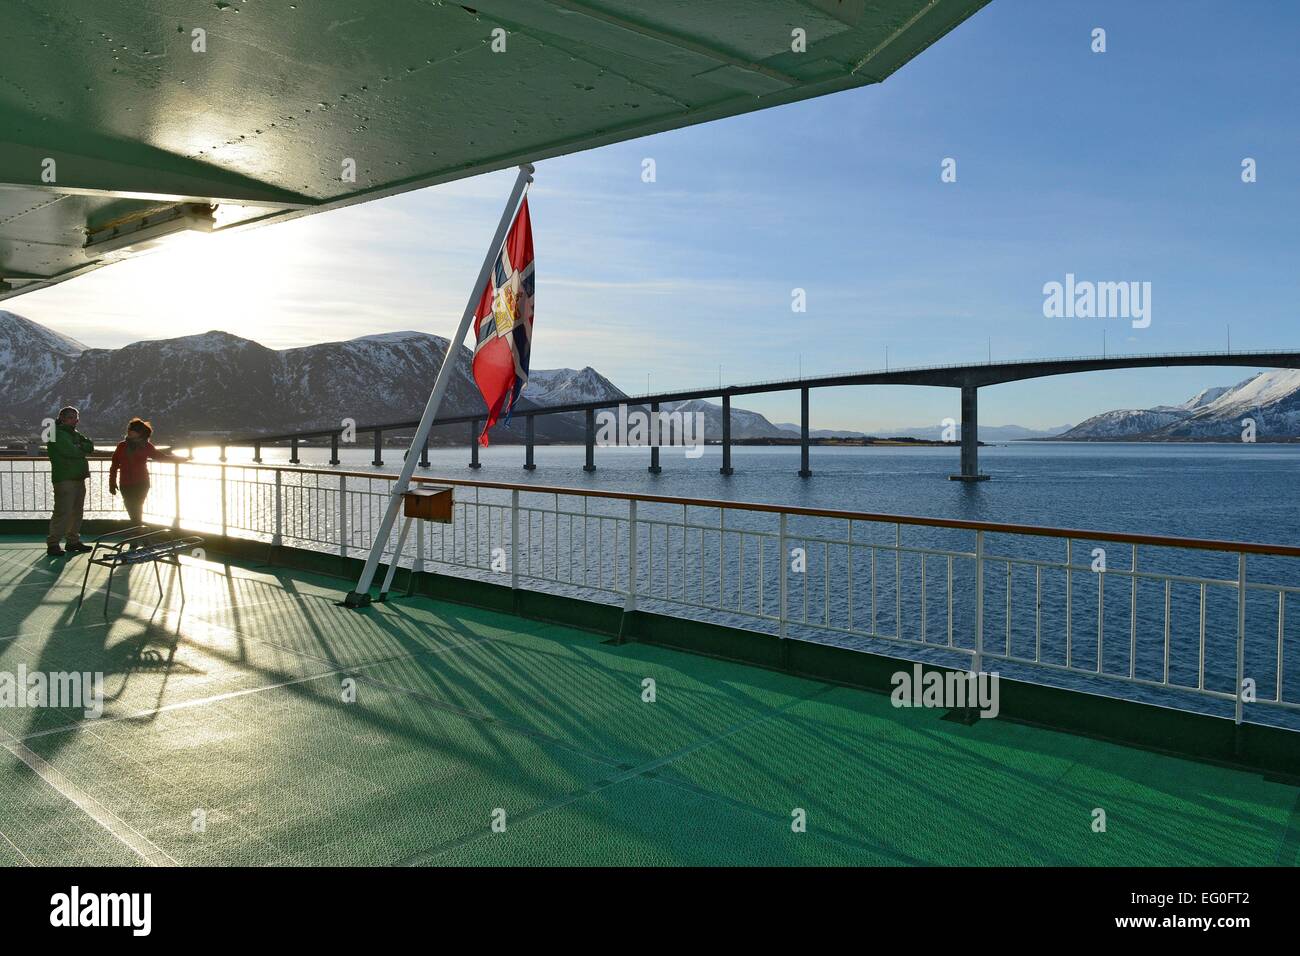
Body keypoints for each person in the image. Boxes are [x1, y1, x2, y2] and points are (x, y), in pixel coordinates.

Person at [108, 418, 186, 526]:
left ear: (140, 433)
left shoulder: (146, 446)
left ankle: (136, 535)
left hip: (141, 483)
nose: (129, 431)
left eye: (133, 430)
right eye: (129, 429)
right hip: (125, 484)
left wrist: (179, 459)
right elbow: (114, 465)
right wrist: (112, 482)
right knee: (132, 509)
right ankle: (140, 534)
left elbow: (161, 457)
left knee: (136, 509)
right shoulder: (122, 446)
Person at [46, 406, 95, 557]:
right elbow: (70, 451)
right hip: (65, 478)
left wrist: (79, 446)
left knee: (76, 511)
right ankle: (53, 543)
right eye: (72, 417)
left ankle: (72, 541)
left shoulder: (73, 433)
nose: (76, 420)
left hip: (78, 477)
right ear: (63, 418)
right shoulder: (55, 434)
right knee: (63, 511)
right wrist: (80, 447)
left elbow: (90, 445)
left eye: (76, 417)